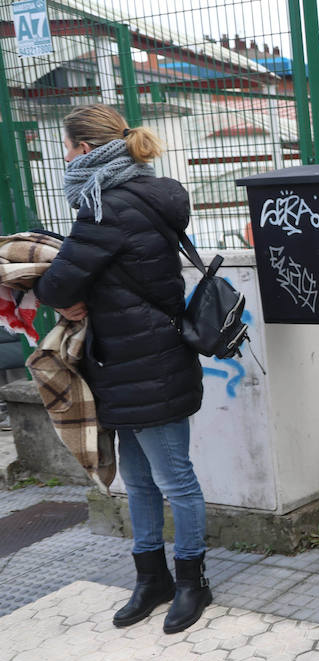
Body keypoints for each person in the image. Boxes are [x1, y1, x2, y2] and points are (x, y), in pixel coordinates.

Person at [33, 103, 211, 634]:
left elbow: (57, 284)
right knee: (139, 479)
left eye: (68, 149)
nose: (66, 159)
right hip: (130, 359)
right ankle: (152, 578)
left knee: (172, 479)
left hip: (145, 363)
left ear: (86, 150)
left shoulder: (106, 208)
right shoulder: (146, 193)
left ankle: (192, 581)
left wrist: (62, 295)